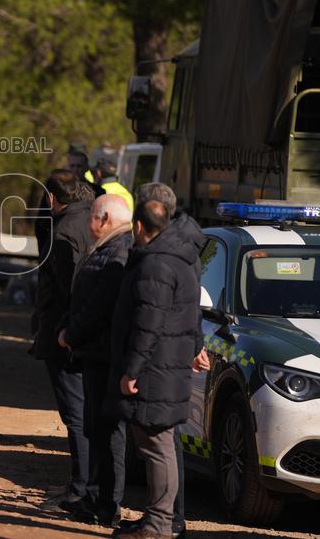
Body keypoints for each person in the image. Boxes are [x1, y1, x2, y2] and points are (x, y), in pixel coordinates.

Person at [120, 183, 209, 539]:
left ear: (139, 226)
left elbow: (148, 322)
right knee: (163, 446)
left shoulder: (156, 263)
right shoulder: (183, 256)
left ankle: (159, 523)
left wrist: (131, 369)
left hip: (155, 370)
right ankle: (161, 521)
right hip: (170, 367)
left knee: (157, 449)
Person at [57, 194, 133, 529]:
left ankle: (107, 505)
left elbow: (99, 308)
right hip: (95, 354)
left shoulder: (118, 252)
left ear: (103, 219)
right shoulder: (109, 247)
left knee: (106, 432)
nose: (88, 222)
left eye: (91, 216)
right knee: (96, 428)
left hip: (103, 356)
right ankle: (96, 497)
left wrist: (70, 334)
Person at [32, 169, 94, 510]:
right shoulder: (90, 220)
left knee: (75, 413)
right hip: (82, 334)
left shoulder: (64, 231)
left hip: (66, 337)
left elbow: (69, 289)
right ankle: (85, 483)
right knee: (84, 411)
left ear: (51, 198)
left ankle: (80, 488)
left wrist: (65, 332)